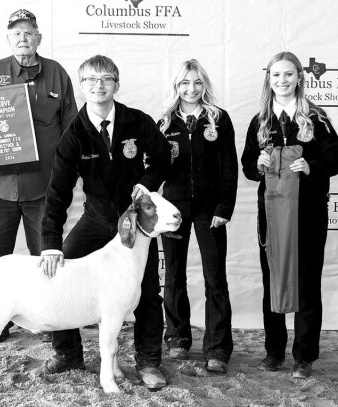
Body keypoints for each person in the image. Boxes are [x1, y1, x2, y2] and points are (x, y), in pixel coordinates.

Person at [33, 55, 172, 389]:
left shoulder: (137, 121)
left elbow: (164, 158)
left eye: (106, 79)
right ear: (82, 86)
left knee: (148, 292)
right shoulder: (73, 135)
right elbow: (57, 193)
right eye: (92, 80)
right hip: (96, 220)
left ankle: (149, 361)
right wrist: (50, 244)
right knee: (58, 276)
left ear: (117, 84)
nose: (99, 85)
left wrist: (148, 181)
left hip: (136, 223)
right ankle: (68, 353)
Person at [0, 9, 77, 343]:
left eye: (28, 32)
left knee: (47, 260)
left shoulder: (56, 74)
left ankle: (48, 320)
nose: (22, 38)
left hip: (43, 186)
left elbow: (71, 127)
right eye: (16, 33)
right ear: (8, 38)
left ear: (38, 38)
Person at [241, 51, 338, 379]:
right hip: (271, 215)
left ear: (300, 77)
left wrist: (312, 167)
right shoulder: (260, 121)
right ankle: (274, 351)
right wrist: (258, 165)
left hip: (308, 214)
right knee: (273, 279)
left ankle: (304, 356)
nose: (282, 81)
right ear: (268, 79)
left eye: (288, 75)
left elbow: (335, 159)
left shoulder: (318, 118)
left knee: (308, 281)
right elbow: (247, 166)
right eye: (276, 75)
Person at [158, 59, 238, 373]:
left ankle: (217, 349)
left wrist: (224, 209)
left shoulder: (219, 119)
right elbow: (155, 171)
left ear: (205, 85)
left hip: (210, 210)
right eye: (184, 83)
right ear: (176, 87)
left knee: (215, 278)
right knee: (174, 274)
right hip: (175, 209)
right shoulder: (164, 122)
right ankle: (177, 338)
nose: (191, 89)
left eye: (197, 83)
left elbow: (229, 168)